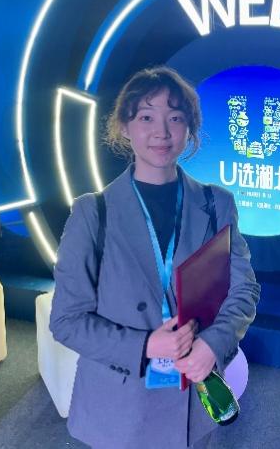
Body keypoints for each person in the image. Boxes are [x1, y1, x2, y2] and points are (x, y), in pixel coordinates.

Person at [50, 66, 260, 448]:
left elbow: (244, 290)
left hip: (192, 399)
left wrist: (213, 344)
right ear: (124, 127)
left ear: (189, 129)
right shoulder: (92, 213)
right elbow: (66, 321)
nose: (162, 132)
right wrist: (146, 346)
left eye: (175, 118)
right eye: (146, 117)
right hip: (119, 405)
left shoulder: (217, 204)